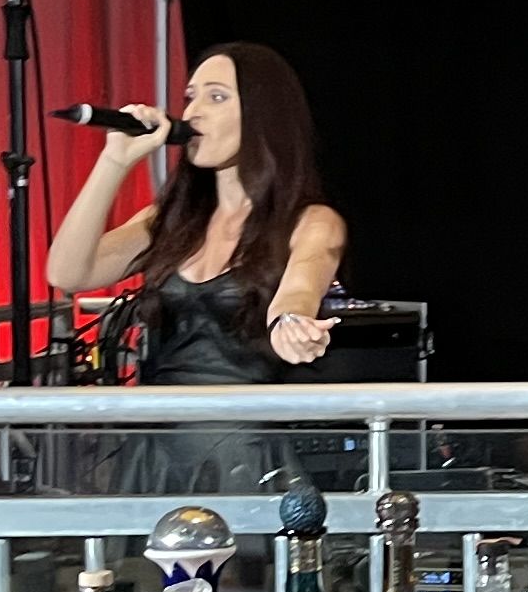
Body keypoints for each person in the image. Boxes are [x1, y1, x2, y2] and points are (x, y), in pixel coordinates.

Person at [47, 43, 347, 382]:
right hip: (158, 414)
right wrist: (114, 161)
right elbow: (67, 273)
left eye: (216, 97)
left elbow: (300, 290)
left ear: (262, 114)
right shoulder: (170, 220)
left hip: (248, 414)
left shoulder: (311, 222)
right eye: (190, 97)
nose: (192, 113)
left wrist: (291, 323)